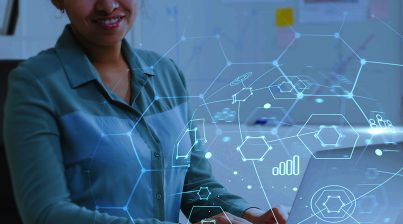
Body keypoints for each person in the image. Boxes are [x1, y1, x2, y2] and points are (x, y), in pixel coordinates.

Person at [3, 0, 286, 223]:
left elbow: (193, 183)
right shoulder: (36, 84)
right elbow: (46, 213)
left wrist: (249, 216)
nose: (107, 5)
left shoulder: (166, 74)